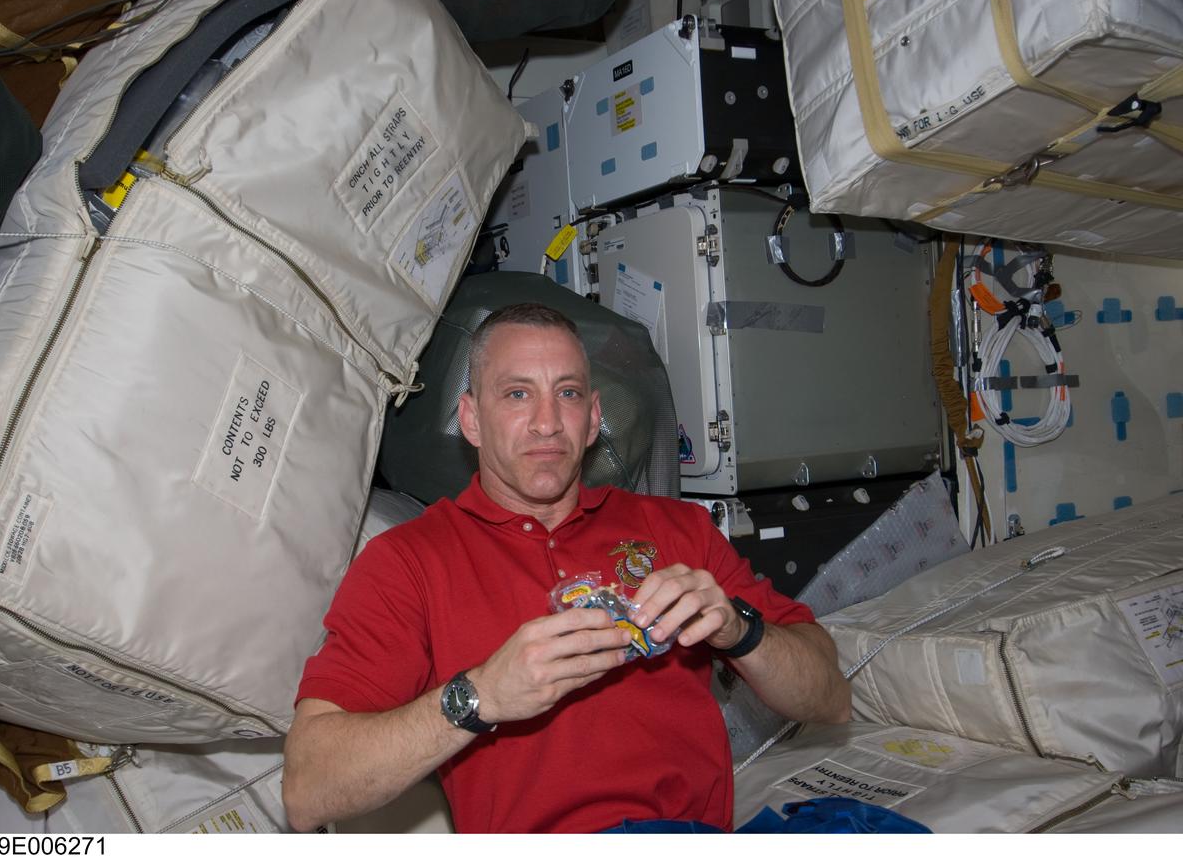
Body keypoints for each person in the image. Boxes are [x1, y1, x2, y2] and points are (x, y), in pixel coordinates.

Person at [283, 303, 850, 833]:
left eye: (568, 393)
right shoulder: (409, 562)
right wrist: (482, 695)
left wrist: (739, 629)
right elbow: (308, 788)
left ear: (594, 417)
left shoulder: (679, 530)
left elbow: (829, 698)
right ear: (471, 420)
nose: (547, 422)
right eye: (517, 394)